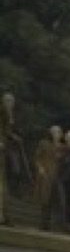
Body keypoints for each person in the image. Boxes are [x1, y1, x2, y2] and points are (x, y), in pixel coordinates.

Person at [33, 125, 67, 231]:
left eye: (59, 132)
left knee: (58, 199)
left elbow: (64, 161)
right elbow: (37, 157)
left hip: (57, 176)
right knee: (45, 199)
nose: (58, 134)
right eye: (56, 132)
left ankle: (57, 224)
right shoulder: (44, 143)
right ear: (51, 133)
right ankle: (44, 223)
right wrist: (40, 168)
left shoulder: (62, 147)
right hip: (46, 175)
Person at [0, 92, 15, 224]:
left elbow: (7, 131)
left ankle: (4, 215)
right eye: (9, 101)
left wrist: (13, 137)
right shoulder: (2, 112)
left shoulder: (9, 114)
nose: (11, 104)